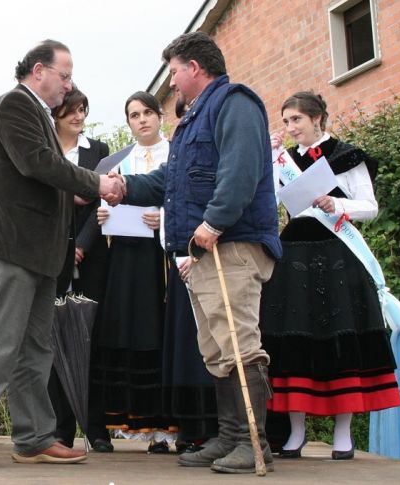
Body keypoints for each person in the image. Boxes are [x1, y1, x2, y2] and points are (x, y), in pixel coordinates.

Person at [0, 39, 125, 468]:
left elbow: (36, 176)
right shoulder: (15, 105)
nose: (69, 85)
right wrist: (96, 185)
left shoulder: (38, 114)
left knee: (35, 346)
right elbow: (36, 163)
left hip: (39, 249)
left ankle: (33, 437)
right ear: (38, 71)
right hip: (11, 242)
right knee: (1, 336)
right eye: (64, 76)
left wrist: (76, 198)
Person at [116, 32, 282, 474]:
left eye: (173, 71)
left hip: (231, 245)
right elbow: (170, 181)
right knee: (217, 349)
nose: (170, 82)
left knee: (240, 343)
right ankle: (230, 437)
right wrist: (121, 187)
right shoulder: (193, 121)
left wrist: (213, 223)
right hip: (207, 253)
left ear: (194, 67)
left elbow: (240, 170)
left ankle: (254, 442)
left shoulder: (235, 104)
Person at [261, 91, 400, 460]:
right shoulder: (283, 158)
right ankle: (295, 432)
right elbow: (271, 203)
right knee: (292, 342)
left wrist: (336, 203)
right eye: (287, 121)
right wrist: (268, 159)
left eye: (297, 120)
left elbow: (369, 207)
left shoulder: (346, 155)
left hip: (338, 253)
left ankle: (343, 433)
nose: (291, 128)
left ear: (318, 118)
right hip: (293, 258)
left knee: (341, 341)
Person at [93, 91, 174, 453]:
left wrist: (165, 218)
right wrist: (103, 216)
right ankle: (140, 425)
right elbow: (107, 201)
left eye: (146, 113)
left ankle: (168, 427)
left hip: (165, 258)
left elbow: (188, 198)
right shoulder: (120, 162)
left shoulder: (176, 153)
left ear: (159, 116)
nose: (141, 120)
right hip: (127, 256)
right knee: (132, 332)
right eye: (133, 115)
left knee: (162, 333)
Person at [46, 87, 113, 452]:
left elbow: (100, 201)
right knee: (55, 341)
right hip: (51, 255)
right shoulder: (45, 149)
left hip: (91, 256)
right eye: (71, 110)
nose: (78, 116)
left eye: (82, 110)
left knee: (92, 339)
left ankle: (97, 427)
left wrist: (82, 245)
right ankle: (60, 429)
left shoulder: (97, 150)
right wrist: (63, 247)